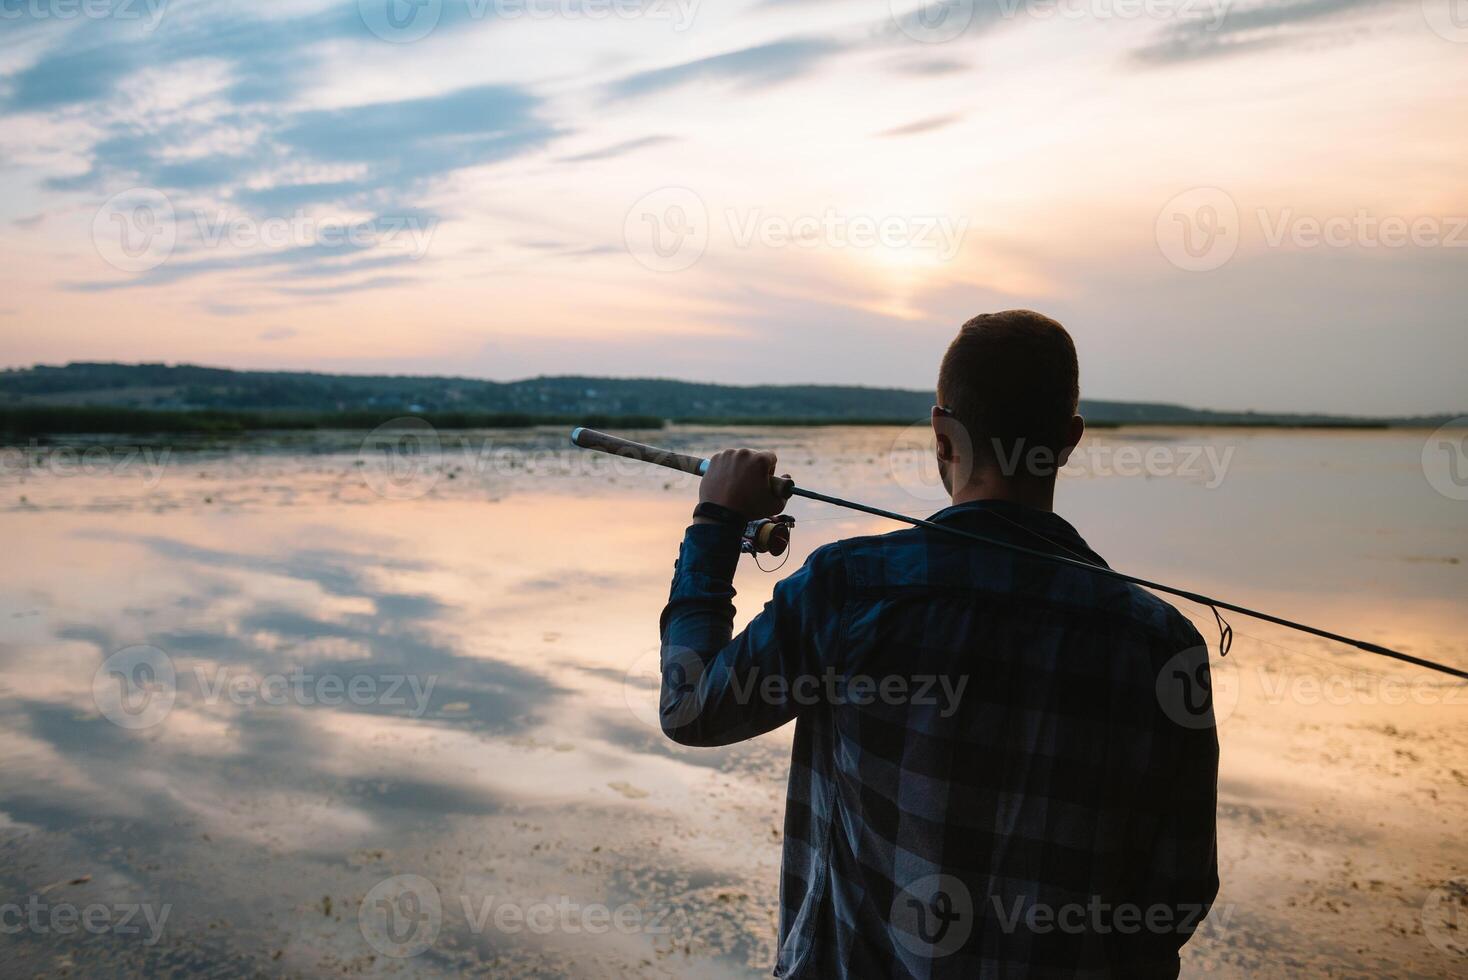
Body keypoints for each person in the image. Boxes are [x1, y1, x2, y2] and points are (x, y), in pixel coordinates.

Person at [659, 309, 1220, 979]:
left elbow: (691, 705)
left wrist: (716, 522)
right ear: (1068, 440)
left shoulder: (849, 591)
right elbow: (1176, 894)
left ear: (942, 435)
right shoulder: (1162, 647)